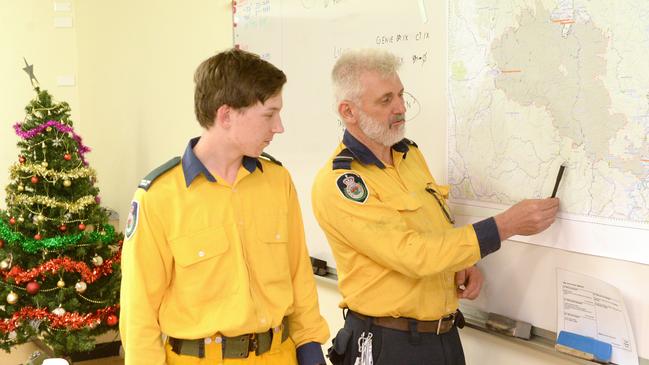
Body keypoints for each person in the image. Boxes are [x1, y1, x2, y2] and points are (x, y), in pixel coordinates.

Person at [311, 48, 560, 365]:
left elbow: (432, 233)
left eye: (401, 94)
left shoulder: (409, 155)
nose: (401, 108)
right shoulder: (343, 184)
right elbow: (412, 254)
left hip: (443, 338)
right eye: (385, 100)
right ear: (348, 111)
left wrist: (457, 265)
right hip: (390, 345)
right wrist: (504, 226)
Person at [120, 48, 329, 365]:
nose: (279, 127)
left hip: (279, 355)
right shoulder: (159, 196)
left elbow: (299, 275)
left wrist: (310, 348)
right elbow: (139, 311)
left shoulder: (277, 181)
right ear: (227, 116)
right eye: (269, 114)